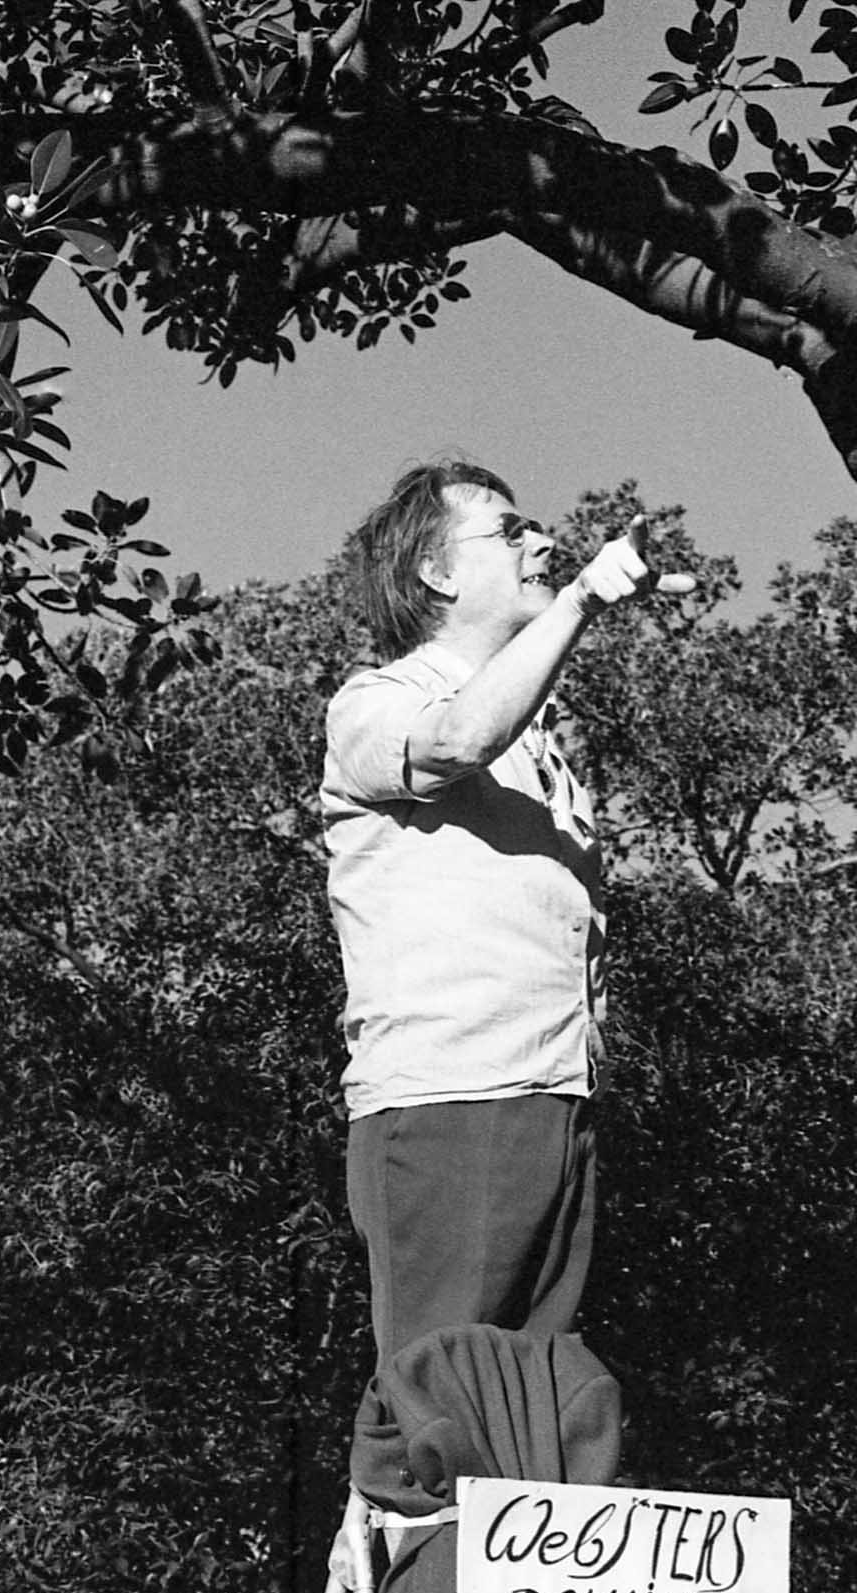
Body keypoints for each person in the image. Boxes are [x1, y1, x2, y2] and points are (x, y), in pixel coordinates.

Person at [323, 459, 666, 1376]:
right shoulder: (376, 702)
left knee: (528, 1403)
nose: (542, 542)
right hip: (452, 1098)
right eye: (510, 531)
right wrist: (583, 599)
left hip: (554, 1101)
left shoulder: (542, 749)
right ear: (435, 572)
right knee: (444, 1395)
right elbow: (457, 739)